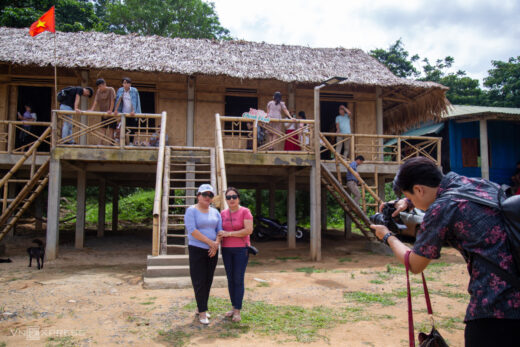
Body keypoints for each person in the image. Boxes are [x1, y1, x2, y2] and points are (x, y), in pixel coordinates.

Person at [371, 157, 520, 346]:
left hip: (496, 309)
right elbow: (441, 197)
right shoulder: (473, 183)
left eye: (412, 196)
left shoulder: (441, 209)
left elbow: (414, 264)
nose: (415, 204)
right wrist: (407, 201)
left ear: (419, 189)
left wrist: (387, 236)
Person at [184, 184, 222, 325]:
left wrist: (216, 244)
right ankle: (202, 312)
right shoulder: (191, 211)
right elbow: (193, 230)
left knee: (208, 280)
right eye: (204, 194)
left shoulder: (215, 212)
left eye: (210, 195)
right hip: (197, 249)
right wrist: (210, 243)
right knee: (199, 280)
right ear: (198, 196)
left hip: (212, 250)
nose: (207, 197)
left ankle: (201, 306)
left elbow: (220, 230)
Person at [218, 187, 254, 323]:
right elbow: (218, 230)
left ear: (238, 198)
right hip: (226, 250)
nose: (231, 199)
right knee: (230, 279)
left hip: (241, 250)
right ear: (226, 200)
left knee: (238, 279)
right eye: (228, 197)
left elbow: (248, 230)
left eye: (234, 197)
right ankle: (233, 307)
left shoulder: (245, 211)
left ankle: (238, 310)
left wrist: (229, 234)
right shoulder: (223, 213)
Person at [114, 77, 141, 145]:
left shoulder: (134, 90)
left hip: (132, 112)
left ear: (130, 84)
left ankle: (131, 142)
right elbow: (118, 100)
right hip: (123, 112)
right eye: (124, 83)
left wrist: (134, 111)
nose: (125, 84)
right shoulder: (120, 90)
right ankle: (122, 142)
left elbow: (135, 101)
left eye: (127, 83)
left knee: (132, 127)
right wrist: (116, 110)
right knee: (122, 127)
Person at [89, 78, 116, 145]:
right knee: (103, 129)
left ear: (104, 84)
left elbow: (113, 100)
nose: (99, 88)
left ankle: (110, 144)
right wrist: (92, 109)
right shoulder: (98, 91)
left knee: (111, 129)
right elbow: (96, 101)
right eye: (98, 86)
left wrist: (110, 110)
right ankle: (100, 143)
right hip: (103, 113)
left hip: (111, 113)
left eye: (100, 86)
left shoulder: (111, 89)